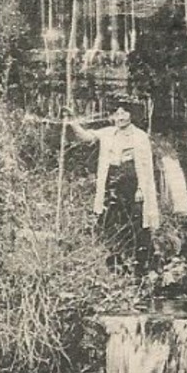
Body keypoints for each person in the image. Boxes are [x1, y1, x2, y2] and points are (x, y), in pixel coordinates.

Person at [66, 102, 160, 274]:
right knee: (109, 220)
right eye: (117, 114)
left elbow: (146, 167)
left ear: (131, 116)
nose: (120, 117)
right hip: (113, 180)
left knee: (139, 221)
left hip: (133, 180)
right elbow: (86, 137)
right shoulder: (108, 133)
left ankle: (143, 264)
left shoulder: (140, 136)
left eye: (124, 113)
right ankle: (116, 262)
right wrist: (73, 121)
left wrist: (141, 189)